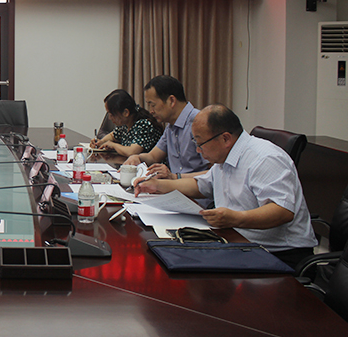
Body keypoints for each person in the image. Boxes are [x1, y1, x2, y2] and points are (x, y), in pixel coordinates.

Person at [135, 104, 317, 268]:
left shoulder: (265, 158)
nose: (198, 150)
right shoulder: (225, 158)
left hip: (278, 254)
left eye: (200, 143)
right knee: (167, 254)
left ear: (225, 139)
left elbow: (282, 211)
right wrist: (158, 185)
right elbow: (202, 185)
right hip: (239, 243)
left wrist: (235, 218)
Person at [123, 75, 209, 180]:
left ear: (171, 101)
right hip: (175, 186)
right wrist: (137, 157)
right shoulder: (171, 126)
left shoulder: (200, 123)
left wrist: (175, 177)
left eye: (153, 105)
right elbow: (153, 157)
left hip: (196, 189)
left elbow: (213, 173)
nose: (151, 111)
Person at [90, 89, 163, 157]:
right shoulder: (125, 124)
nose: (109, 118)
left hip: (149, 165)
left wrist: (113, 145)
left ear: (125, 112)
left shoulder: (144, 125)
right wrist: (101, 142)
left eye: (112, 115)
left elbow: (132, 152)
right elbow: (113, 135)